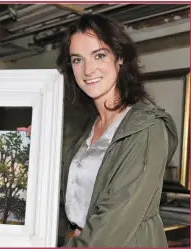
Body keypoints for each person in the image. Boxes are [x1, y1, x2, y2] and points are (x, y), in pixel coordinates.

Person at [18, 13, 178, 247]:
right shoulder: (82, 128)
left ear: (120, 58)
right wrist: (39, 146)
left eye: (99, 55)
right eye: (77, 60)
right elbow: (67, 196)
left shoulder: (147, 128)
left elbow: (110, 228)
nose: (88, 70)